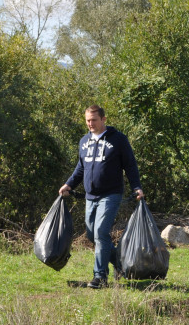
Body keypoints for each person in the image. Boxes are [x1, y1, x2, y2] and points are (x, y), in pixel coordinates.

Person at [58, 105, 144, 289]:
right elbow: (81, 168)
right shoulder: (84, 141)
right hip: (91, 196)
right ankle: (121, 265)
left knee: (101, 233)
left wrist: (137, 187)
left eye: (94, 120)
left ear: (104, 119)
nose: (90, 123)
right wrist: (69, 184)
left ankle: (100, 277)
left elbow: (130, 166)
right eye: (88, 120)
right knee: (92, 234)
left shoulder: (119, 140)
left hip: (111, 194)